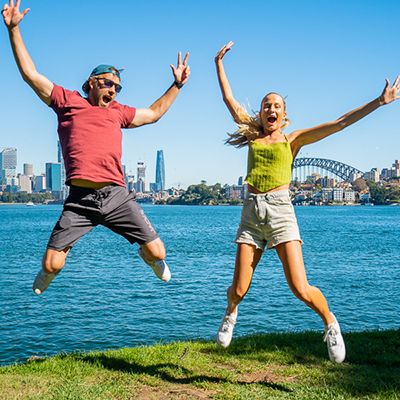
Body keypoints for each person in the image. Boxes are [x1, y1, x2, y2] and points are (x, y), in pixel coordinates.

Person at [214, 41, 399, 363]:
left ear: (284, 114)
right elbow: (229, 99)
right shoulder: (252, 135)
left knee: (299, 287)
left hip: (281, 211)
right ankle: (231, 314)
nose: (271, 109)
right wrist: (218, 63)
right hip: (251, 212)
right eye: (265, 105)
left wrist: (379, 103)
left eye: (276, 105)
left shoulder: (293, 139)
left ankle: (331, 324)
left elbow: (340, 122)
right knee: (239, 288)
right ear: (260, 112)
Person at [2, 0, 190, 294]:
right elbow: (30, 75)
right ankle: (48, 272)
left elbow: (153, 114)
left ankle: (148, 258)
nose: (113, 90)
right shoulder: (67, 102)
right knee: (52, 265)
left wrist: (176, 86)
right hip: (80, 200)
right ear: (91, 83)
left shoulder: (119, 112)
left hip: (116, 195)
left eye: (117, 87)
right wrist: (14, 30)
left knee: (158, 253)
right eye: (107, 84)